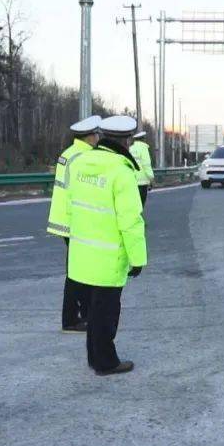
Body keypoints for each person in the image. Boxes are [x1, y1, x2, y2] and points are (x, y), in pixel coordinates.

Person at [65, 115, 146, 376]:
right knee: (107, 312)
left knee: (94, 310)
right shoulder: (121, 172)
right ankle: (106, 362)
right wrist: (138, 258)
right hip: (109, 256)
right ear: (127, 141)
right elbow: (131, 221)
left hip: (83, 252)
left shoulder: (81, 163)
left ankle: (94, 357)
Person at [47, 115, 105, 333]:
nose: (98, 138)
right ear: (90, 137)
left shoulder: (69, 153)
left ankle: (78, 315)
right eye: (97, 135)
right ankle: (73, 318)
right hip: (77, 220)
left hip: (66, 218)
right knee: (79, 271)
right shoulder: (84, 157)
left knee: (77, 269)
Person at [128, 131, 154, 206]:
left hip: (132, 180)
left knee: (133, 205)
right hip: (142, 182)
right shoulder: (143, 149)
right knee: (140, 205)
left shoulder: (130, 149)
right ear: (143, 139)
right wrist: (151, 178)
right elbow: (146, 164)